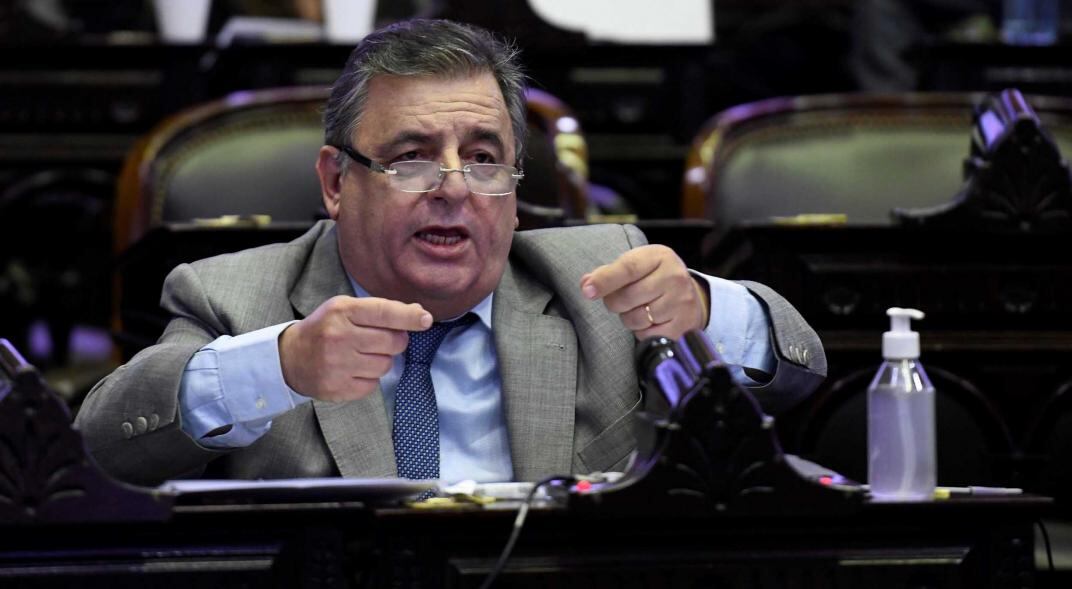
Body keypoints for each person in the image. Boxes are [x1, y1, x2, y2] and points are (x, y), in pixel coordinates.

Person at [74, 19, 826, 488]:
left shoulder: (599, 277)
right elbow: (106, 442)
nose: (454, 188)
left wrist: (705, 308)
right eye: (411, 158)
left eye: (485, 157)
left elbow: (802, 373)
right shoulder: (236, 298)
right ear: (337, 181)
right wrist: (282, 366)